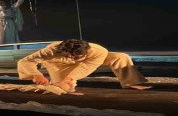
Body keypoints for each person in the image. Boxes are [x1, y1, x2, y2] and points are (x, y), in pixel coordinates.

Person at [17, 39, 152, 92]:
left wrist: (69, 78)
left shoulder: (99, 51)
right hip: (58, 64)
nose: (72, 58)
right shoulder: (51, 50)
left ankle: (131, 82)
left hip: (90, 61)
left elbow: (86, 67)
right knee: (62, 88)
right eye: (70, 55)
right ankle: (60, 78)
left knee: (120, 57)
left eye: (76, 56)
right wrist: (36, 74)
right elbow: (25, 61)